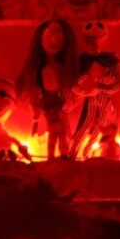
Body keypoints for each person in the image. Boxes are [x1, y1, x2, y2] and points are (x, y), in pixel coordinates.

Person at [16, 19, 80, 159]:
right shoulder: (39, 71)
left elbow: (75, 92)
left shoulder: (64, 69)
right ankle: (54, 154)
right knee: (55, 131)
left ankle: (61, 153)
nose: (54, 38)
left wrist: (70, 101)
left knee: (61, 131)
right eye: (49, 34)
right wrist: (35, 107)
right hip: (48, 105)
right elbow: (28, 93)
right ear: (41, 38)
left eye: (58, 35)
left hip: (60, 103)